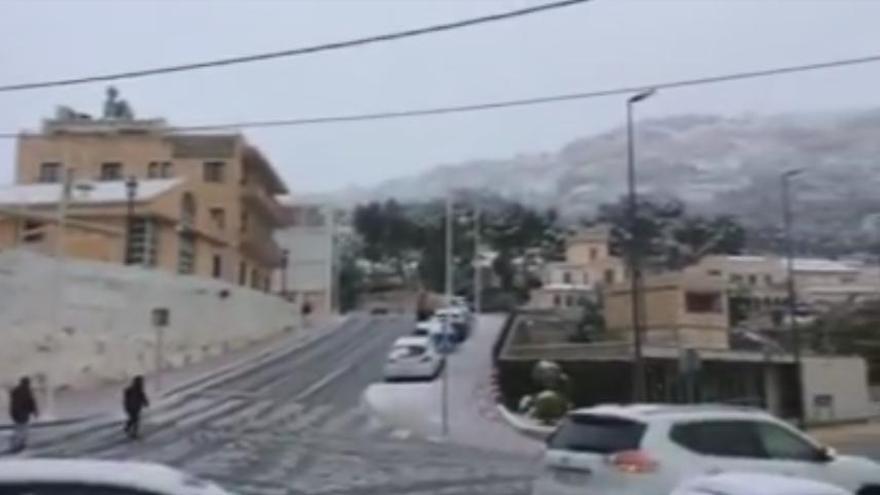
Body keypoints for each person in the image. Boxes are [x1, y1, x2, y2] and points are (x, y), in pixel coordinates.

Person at [8, 377, 38, 453]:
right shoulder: (27, 391)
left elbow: (13, 402)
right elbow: (31, 402)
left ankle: (14, 444)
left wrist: (13, 413)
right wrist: (35, 412)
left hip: (15, 413)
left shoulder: (16, 390)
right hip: (23, 413)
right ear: (27, 383)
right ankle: (20, 444)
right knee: (24, 429)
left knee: (18, 428)